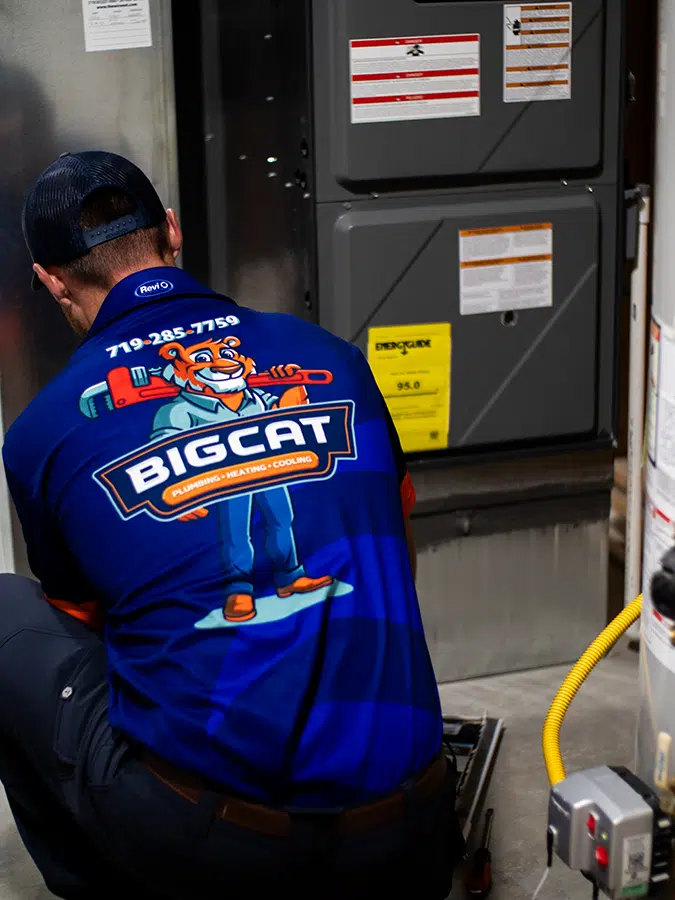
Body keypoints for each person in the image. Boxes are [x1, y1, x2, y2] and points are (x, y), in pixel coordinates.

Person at [0, 150, 464, 900]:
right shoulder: (332, 357)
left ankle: (104, 877)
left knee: (8, 616)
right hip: (411, 832)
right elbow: (395, 550)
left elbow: (87, 625)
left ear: (51, 279)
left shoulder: (41, 433)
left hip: (225, 856)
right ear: (172, 232)